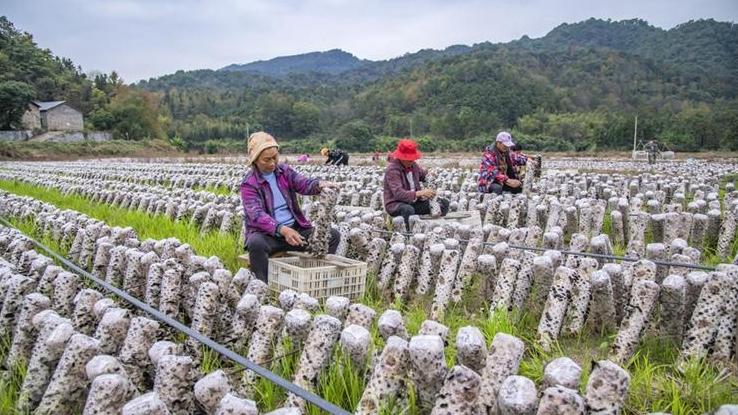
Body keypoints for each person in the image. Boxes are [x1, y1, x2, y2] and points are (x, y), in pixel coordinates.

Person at [241, 132, 340, 282]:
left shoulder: (284, 172)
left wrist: (319, 185)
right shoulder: (249, 184)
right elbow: (257, 215)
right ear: (255, 160)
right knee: (255, 244)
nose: (273, 163)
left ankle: (317, 278)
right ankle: (262, 285)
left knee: (332, 236)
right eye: (267, 160)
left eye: (275, 157)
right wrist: (282, 229)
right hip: (269, 235)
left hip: (295, 231)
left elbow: (303, 184)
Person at [383, 139, 449, 231]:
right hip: (396, 204)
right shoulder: (392, 170)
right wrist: (419, 193)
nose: (412, 161)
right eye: (409, 159)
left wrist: (431, 175)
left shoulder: (413, 166)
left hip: (414, 202)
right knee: (408, 210)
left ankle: (434, 229)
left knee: (444, 203)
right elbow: (398, 193)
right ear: (401, 157)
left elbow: (424, 175)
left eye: (413, 159)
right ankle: (408, 234)